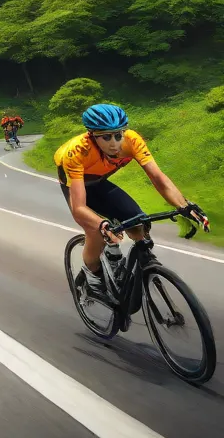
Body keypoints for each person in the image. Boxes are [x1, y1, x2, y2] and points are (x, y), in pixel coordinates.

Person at [54, 103, 209, 301]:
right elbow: (79, 207)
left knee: (138, 223)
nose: (114, 143)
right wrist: (101, 224)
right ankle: (92, 278)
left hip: (99, 181)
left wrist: (184, 206)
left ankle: (124, 260)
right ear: (92, 135)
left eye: (118, 135)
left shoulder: (132, 141)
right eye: (106, 137)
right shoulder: (78, 151)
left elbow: (158, 178)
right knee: (96, 233)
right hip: (75, 184)